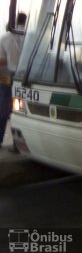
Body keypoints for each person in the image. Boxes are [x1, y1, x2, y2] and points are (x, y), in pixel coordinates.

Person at [0, 12, 26, 151]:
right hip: (25, 79)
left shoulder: (5, 38)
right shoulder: (30, 36)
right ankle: (18, 143)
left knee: (4, 110)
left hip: (8, 78)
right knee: (21, 112)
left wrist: (4, 81)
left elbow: (1, 62)